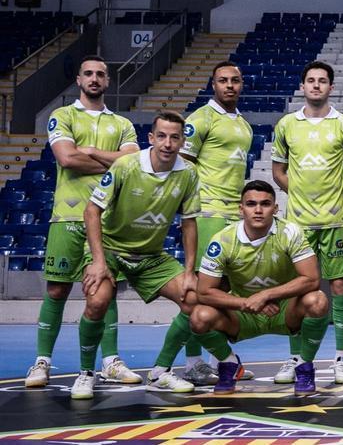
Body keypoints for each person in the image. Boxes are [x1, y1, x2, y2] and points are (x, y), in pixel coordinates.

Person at [73, 111, 229, 400]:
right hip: (111, 248)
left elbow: (190, 222)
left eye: (174, 137)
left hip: (151, 255)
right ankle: (85, 374)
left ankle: (160, 372)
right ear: (151, 138)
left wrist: (189, 271)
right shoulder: (126, 166)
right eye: (162, 136)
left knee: (192, 299)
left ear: (183, 140)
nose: (168, 143)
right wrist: (97, 260)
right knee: (97, 301)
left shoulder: (188, 173)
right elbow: (91, 210)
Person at [26, 56, 141, 389]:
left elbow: (133, 163)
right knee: (58, 289)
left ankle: (111, 361)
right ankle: (42, 363)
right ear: (78, 80)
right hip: (67, 214)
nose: (94, 78)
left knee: (104, 291)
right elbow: (66, 158)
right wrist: (110, 162)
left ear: (108, 81)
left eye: (100, 74)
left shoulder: (122, 124)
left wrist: (88, 153)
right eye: (88, 73)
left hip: (107, 218)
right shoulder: (61, 116)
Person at [190, 180, 330, 396]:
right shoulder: (223, 240)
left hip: (284, 310)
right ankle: (229, 365)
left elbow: (311, 279)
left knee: (317, 300)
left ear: (275, 208)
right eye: (251, 204)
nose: (258, 210)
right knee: (199, 315)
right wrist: (246, 303)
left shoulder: (291, 232)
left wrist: (265, 295)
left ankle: (304, 367)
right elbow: (204, 291)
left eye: (265, 204)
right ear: (240, 208)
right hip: (243, 314)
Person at [271, 61, 343, 384]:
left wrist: (338, 195)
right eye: (311, 80)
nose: (316, 86)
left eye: (323, 81)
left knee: (339, 288)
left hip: (334, 221)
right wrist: (297, 192)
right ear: (303, 86)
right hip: (297, 225)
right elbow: (278, 170)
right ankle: (295, 358)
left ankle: (341, 360)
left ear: (331, 88)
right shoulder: (286, 125)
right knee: (298, 292)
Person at [178, 60, 255, 386]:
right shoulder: (200, 119)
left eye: (235, 80)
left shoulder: (245, 125)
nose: (229, 85)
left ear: (241, 85)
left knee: (222, 291)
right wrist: (188, 210)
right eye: (223, 80)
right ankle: (193, 362)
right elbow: (183, 165)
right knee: (199, 292)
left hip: (232, 215)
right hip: (207, 212)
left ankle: (217, 361)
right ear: (213, 84)